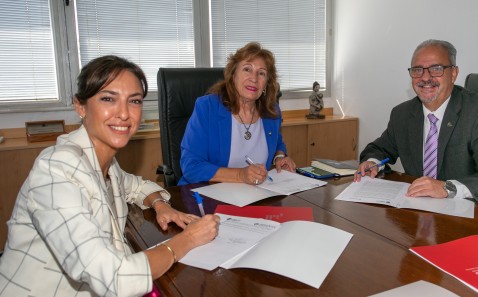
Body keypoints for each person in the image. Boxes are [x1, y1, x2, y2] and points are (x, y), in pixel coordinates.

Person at [0, 55, 220, 296]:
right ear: (80, 106)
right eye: (108, 98)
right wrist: (187, 240)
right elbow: (115, 279)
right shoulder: (55, 171)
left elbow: (137, 186)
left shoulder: (106, 163)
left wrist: (159, 205)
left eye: (134, 101)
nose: (124, 113)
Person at [354, 39, 478, 203]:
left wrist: (447, 188)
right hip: (416, 209)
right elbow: (378, 149)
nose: (425, 77)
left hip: (468, 214)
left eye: (436, 69)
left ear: (454, 73)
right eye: (417, 70)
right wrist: (372, 162)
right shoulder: (402, 113)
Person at [179, 42, 296, 186]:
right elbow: (191, 166)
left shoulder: (272, 111)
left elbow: (277, 142)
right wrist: (240, 175)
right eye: (247, 69)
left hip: (256, 197)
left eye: (261, 73)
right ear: (233, 76)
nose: (254, 78)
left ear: (266, 83)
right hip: (208, 196)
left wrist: (279, 157)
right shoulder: (207, 108)